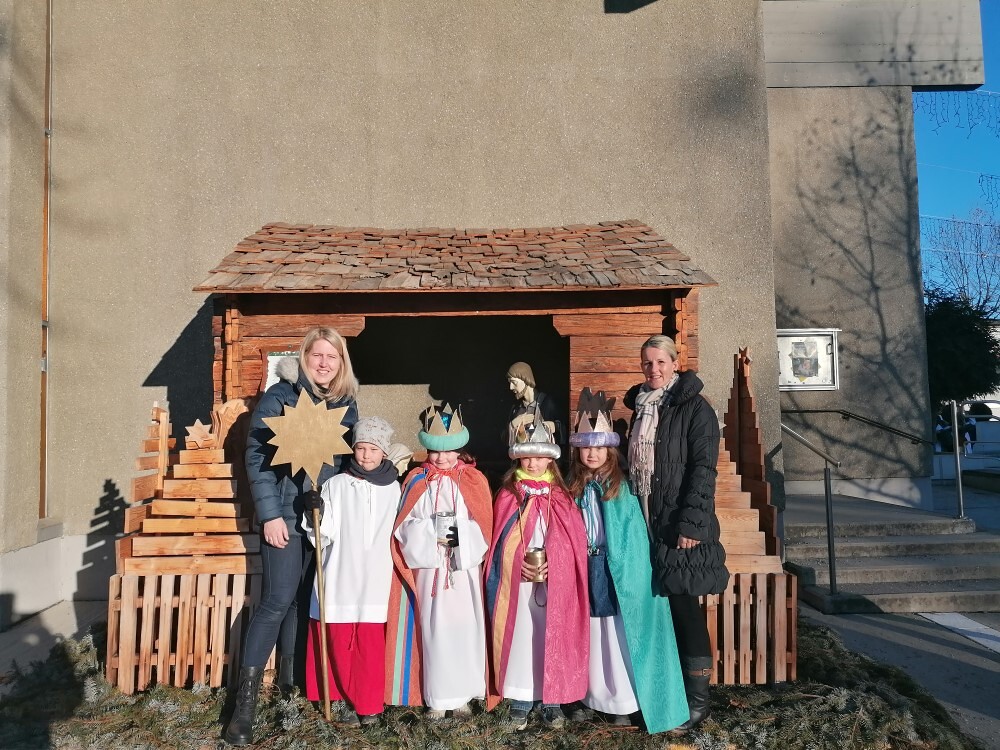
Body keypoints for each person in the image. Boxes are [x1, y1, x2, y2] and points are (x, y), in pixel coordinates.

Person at [224, 327, 358, 747]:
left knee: (304, 599)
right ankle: (243, 709)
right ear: (304, 358)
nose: (324, 363)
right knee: (277, 600)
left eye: (332, 356)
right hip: (284, 515)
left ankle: (290, 686)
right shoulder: (280, 397)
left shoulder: (346, 404)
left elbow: (350, 462)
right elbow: (258, 458)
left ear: (341, 362)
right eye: (317, 355)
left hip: (322, 519)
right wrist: (269, 515)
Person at [565, 387, 689, 733]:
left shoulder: (622, 487)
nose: (592, 453)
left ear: (609, 449)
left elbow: (632, 535)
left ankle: (626, 701)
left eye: (598, 447)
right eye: (586, 447)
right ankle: (599, 697)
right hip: (589, 568)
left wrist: (627, 566)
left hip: (623, 572)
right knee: (596, 632)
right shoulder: (574, 486)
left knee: (622, 633)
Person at [624, 334, 729, 735]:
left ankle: (698, 702)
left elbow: (703, 470)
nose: (653, 369)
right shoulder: (640, 408)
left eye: (660, 362)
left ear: (674, 362)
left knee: (685, 607)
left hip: (677, 524)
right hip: (647, 522)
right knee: (658, 610)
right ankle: (665, 695)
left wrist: (691, 524)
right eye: (647, 363)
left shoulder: (694, 408)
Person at [385, 404, 493, 718]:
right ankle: (437, 697)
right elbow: (403, 526)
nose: (441, 457)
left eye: (447, 451)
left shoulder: (473, 479)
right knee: (434, 630)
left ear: (459, 448)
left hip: (462, 570)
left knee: (463, 628)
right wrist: (430, 531)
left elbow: (484, 525)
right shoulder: (416, 479)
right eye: (434, 451)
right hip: (430, 569)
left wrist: (460, 534)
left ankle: (461, 697)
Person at [484, 408, 589, 731]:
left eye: (540, 457)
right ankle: (520, 698)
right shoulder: (508, 495)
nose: (533, 463)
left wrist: (556, 563)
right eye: (527, 457)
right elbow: (498, 543)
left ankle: (551, 701)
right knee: (521, 637)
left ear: (550, 460)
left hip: (554, 583)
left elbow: (574, 544)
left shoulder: (561, 497)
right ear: (518, 458)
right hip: (519, 584)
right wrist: (516, 565)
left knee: (552, 635)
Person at [301, 417, 402, 726]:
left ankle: (369, 703)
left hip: (377, 577)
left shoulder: (395, 489)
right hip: (340, 572)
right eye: (360, 448)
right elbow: (323, 534)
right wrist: (316, 512)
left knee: (370, 646)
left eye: (373, 449)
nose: (366, 455)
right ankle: (340, 698)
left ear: (384, 452)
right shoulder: (336, 485)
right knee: (339, 639)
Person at [506, 361, 565, 447]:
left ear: (526, 379)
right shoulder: (516, 409)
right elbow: (508, 443)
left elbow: (565, 430)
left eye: (514, 382)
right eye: (509, 383)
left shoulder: (548, 403)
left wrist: (555, 426)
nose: (511, 387)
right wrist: (512, 425)